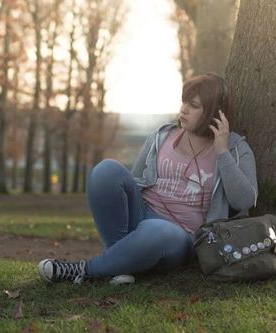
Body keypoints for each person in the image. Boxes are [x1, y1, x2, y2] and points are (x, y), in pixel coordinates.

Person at [37, 73, 258, 284]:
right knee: (106, 170)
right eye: (184, 102)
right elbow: (132, 182)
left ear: (214, 113)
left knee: (156, 230)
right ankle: (122, 265)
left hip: (180, 236)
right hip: (141, 216)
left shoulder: (235, 148)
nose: (183, 109)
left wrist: (221, 151)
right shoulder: (161, 136)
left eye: (194, 105)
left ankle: (84, 270)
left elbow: (244, 201)